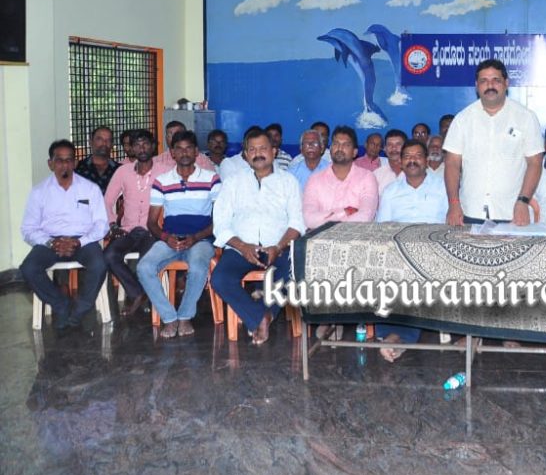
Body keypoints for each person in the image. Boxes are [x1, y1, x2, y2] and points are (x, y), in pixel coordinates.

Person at [211, 128, 306, 345]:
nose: (258, 153)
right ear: (245, 155)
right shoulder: (233, 183)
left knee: (294, 272)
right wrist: (243, 246)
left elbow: (297, 223)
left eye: (263, 148)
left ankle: (264, 314)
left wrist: (278, 247)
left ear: (274, 151)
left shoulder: (289, 182)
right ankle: (261, 317)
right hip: (241, 249)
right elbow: (221, 224)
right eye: (252, 150)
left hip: (278, 248)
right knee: (220, 279)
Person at [136, 131, 220, 338]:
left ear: (196, 152)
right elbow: (151, 222)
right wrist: (166, 238)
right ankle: (169, 318)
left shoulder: (211, 178)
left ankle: (184, 317)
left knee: (198, 266)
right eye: (179, 149)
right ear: (172, 153)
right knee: (144, 267)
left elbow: (220, 219)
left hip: (201, 239)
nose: (184, 153)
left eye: (189, 148)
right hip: (170, 239)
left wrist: (196, 237)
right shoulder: (162, 181)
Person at [19, 140, 110, 329]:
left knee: (99, 264)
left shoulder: (90, 189)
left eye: (69, 160)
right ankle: (61, 304)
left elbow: (102, 225)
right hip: (51, 241)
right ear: (50, 163)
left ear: (75, 163)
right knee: (28, 268)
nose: (64, 165)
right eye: (59, 160)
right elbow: (28, 229)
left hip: (83, 241)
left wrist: (79, 242)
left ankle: (80, 310)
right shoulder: (39, 192)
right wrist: (51, 242)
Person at [374, 139, 450, 361]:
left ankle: (398, 337)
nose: (412, 160)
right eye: (407, 156)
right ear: (400, 161)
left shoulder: (444, 187)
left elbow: (452, 227)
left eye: (417, 156)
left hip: (435, 250)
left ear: (426, 160)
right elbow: (383, 230)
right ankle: (395, 335)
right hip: (399, 251)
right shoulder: (391, 191)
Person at [444, 59, 543, 225]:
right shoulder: (463, 119)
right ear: (476, 85)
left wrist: (523, 201)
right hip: (470, 211)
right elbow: (452, 163)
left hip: (512, 212)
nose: (490, 85)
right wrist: (453, 203)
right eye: (484, 81)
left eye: (496, 80)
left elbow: (535, 163)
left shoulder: (525, 118)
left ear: (506, 83)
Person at [103, 129, 158, 316]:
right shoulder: (123, 171)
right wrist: (112, 225)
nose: (142, 148)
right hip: (128, 230)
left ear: (153, 146)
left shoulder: (165, 171)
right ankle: (138, 293)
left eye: (146, 144)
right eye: (137, 145)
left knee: (145, 262)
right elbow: (107, 201)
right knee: (109, 255)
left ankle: (143, 296)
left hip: (153, 230)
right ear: (131, 149)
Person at [303, 125, 378, 230]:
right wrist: (344, 212)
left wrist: (328, 219)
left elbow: (365, 216)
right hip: (322, 239)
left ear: (355, 152)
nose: (339, 148)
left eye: (346, 145)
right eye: (336, 144)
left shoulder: (367, 177)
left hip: (357, 237)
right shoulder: (314, 180)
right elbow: (309, 219)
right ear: (330, 149)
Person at [151, 120, 215, 176]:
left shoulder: (203, 160)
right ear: (166, 138)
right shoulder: (157, 161)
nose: (173, 137)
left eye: (177, 134)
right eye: (169, 135)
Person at [75, 125, 120, 194]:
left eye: (108, 140)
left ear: (112, 144)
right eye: (99, 139)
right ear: (90, 142)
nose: (104, 143)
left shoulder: (120, 170)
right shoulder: (78, 169)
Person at [373, 129, 407, 194]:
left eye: (398, 144)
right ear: (384, 149)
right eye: (389, 145)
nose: (394, 148)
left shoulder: (416, 172)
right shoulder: (377, 175)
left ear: (406, 147)